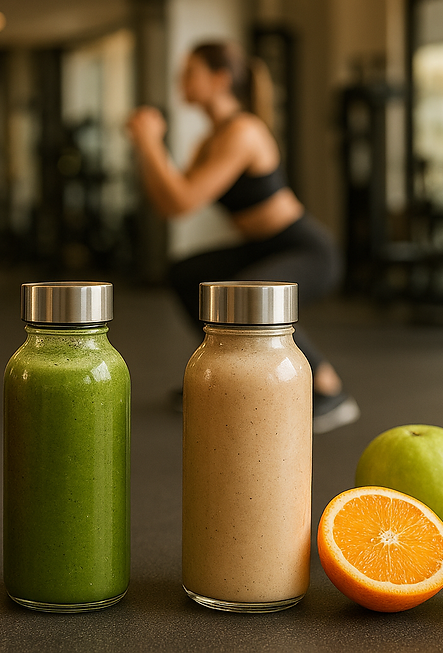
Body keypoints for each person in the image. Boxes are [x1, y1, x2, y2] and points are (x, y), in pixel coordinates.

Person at [127, 40, 358, 434]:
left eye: (190, 72)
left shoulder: (244, 131)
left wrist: (150, 141)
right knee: (187, 274)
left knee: (258, 294)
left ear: (219, 80)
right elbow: (169, 202)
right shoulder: (210, 139)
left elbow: (181, 200)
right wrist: (147, 148)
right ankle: (223, 370)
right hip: (261, 247)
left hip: (304, 248)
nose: (180, 80)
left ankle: (328, 389)